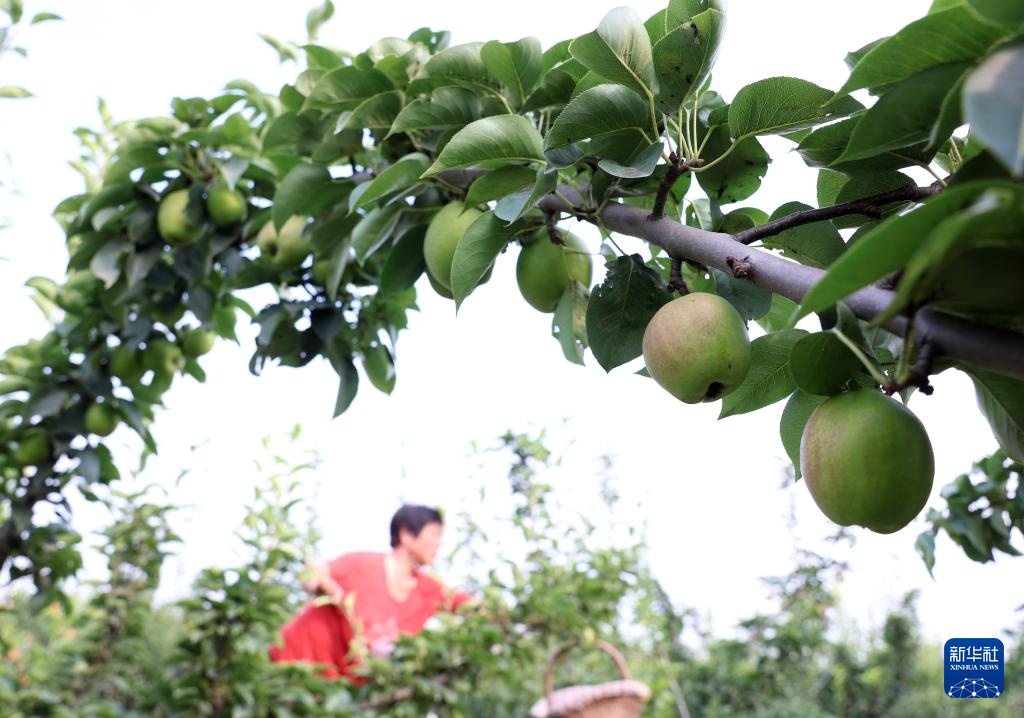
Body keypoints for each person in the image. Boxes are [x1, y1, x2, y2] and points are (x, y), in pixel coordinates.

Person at [269, 504, 473, 680]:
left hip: (335, 691)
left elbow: (472, 607)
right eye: (434, 534)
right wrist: (322, 585)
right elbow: (313, 574)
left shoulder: (429, 591)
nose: (439, 543)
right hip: (291, 669)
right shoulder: (361, 565)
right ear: (406, 534)